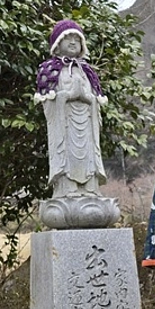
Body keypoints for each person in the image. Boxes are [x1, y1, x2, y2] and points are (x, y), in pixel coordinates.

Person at [34, 19, 107, 198]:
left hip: (86, 126)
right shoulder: (50, 70)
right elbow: (48, 105)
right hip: (65, 127)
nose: (73, 42)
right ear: (57, 45)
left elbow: (95, 101)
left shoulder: (87, 72)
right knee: (67, 157)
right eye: (68, 38)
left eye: (77, 38)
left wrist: (87, 98)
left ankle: (91, 188)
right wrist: (67, 96)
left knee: (89, 156)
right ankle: (67, 188)